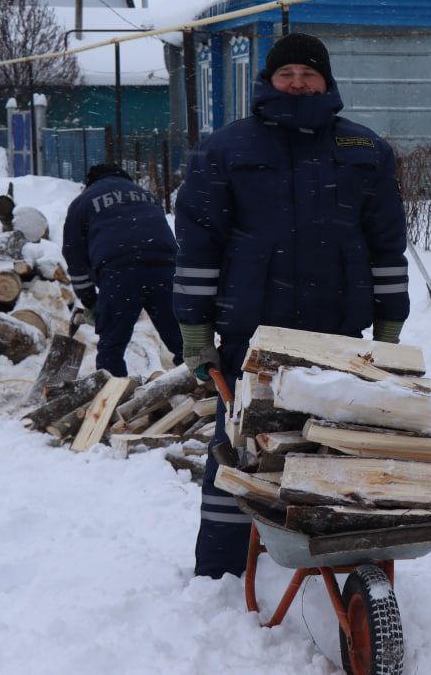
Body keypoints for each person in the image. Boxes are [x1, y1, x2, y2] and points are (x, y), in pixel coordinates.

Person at [174, 32, 410, 578]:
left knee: (339, 444)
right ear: (268, 82)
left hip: (339, 334)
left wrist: (390, 322)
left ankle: (341, 557)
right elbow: (198, 246)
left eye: (309, 73)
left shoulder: (365, 151)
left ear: (327, 82)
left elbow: (386, 244)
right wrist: (194, 329)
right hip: (254, 334)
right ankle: (224, 571)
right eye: (287, 74)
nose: (298, 82)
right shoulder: (225, 150)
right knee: (238, 450)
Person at [62, 163, 183, 377]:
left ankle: (112, 398)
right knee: (182, 340)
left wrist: (90, 300)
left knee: (112, 347)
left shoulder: (83, 203)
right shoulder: (145, 195)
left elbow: (74, 257)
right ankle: (201, 389)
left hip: (120, 272)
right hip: (165, 268)